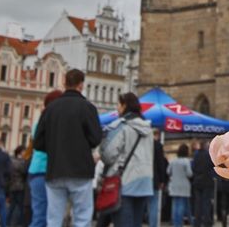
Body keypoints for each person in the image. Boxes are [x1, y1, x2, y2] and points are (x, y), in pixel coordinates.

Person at [33, 69, 103, 227]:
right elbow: (96, 138)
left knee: (54, 218)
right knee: (82, 217)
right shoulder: (87, 108)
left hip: (55, 169)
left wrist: (54, 147)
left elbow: (38, 142)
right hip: (80, 170)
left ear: (64, 83)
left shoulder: (50, 109)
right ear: (81, 85)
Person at [99, 92, 153, 227]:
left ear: (124, 106)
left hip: (125, 182)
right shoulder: (148, 128)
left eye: (118, 105)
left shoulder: (121, 126)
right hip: (144, 182)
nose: (117, 108)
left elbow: (108, 154)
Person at [28, 91, 63, 227]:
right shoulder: (47, 122)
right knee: (41, 216)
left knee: (42, 215)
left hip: (38, 171)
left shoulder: (40, 121)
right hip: (42, 171)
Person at [189, 141, 214, 227]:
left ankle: (197, 223)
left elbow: (193, 167)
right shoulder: (208, 155)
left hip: (197, 182)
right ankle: (207, 222)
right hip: (207, 181)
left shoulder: (195, 155)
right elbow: (212, 166)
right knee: (206, 203)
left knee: (197, 203)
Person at [167, 145, 193, 227]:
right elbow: (189, 174)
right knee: (181, 206)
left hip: (174, 185)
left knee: (175, 205)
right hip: (184, 186)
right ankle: (179, 224)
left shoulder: (173, 161)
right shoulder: (186, 161)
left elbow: (168, 171)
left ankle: (175, 223)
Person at [148, 131, 167, 227]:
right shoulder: (158, 145)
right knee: (154, 204)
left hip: (143, 177)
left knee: (143, 204)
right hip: (155, 179)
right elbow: (161, 164)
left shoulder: (144, 144)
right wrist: (162, 180)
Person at [6, 146, 26, 227]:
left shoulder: (11, 161)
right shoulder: (21, 162)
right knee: (20, 206)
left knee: (12, 206)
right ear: (20, 152)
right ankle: (18, 223)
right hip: (19, 186)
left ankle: (7, 222)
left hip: (12, 186)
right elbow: (24, 172)